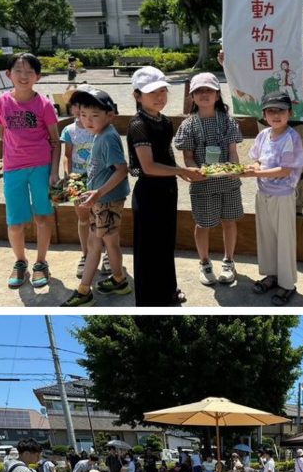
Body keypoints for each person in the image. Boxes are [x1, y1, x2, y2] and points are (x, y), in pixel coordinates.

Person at [127, 66, 204, 307]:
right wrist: (182, 171)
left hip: (167, 190)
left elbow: (166, 154)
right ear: (137, 95)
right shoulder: (138, 125)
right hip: (149, 192)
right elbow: (148, 167)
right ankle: (150, 300)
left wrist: (184, 174)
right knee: (148, 248)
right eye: (152, 93)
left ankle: (168, 289)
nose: (160, 97)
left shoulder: (165, 121)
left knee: (165, 243)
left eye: (163, 91)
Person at [0, 53, 60, 290]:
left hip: (40, 167)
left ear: (37, 77)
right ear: (8, 74)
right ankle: (20, 262)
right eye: (18, 70)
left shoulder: (45, 105)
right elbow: (2, 134)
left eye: (30, 71)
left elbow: (55, 140)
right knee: (15, 222)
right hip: (13, 169)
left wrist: (53, 172)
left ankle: (41, 262)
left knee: (42, 217)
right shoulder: (1, 103)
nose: (23, 76)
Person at [60, 87, 132, 306]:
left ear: (109, 115)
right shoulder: (101, 134)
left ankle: (84, 291)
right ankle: (119, 280)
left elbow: (122, 169)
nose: (87, 121)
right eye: (83, 115)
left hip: (106, 201)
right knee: (110, 243)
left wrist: (98, 192)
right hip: (103, 199)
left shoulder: (107, 138)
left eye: (94, 116)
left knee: (94, 245)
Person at [173, 71, 244, 286]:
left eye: (209, 90)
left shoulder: (229, 122)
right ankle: (204, 262)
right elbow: (188, 157)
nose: (204, 94)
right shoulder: (188, 125)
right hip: (202, 183)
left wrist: (234, 169)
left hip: (229, 182)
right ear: (192, 96)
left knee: (229, 221)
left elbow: (232, 152)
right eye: (199, 91)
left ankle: (229, 261)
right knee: (203, 224)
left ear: (218, 95)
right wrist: (195, 171)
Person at [242, 91, 303, 305]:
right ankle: (271, 275)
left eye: (281, 111)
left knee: (284, 240)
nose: (276, 115)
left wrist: (255, 173)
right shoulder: (263, 135)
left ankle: (287, 284)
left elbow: (285, 170)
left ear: (290, 113)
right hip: (264, 194)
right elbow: (258, 160)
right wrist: (251, 168)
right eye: (271, 111)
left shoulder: (291, 137)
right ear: (264, 114)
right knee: (266, 237)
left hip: (283, 196)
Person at [59, 94, 96, 277]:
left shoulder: (98, 127)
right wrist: (68, 176)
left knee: (100, 217)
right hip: (78, 179)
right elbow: (67, 155)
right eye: (76, 105)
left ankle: (103, 253)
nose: (79, 110)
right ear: (72, 108)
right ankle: (85, 254)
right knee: (83, 218)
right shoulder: (68, 130)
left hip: (98, 178)